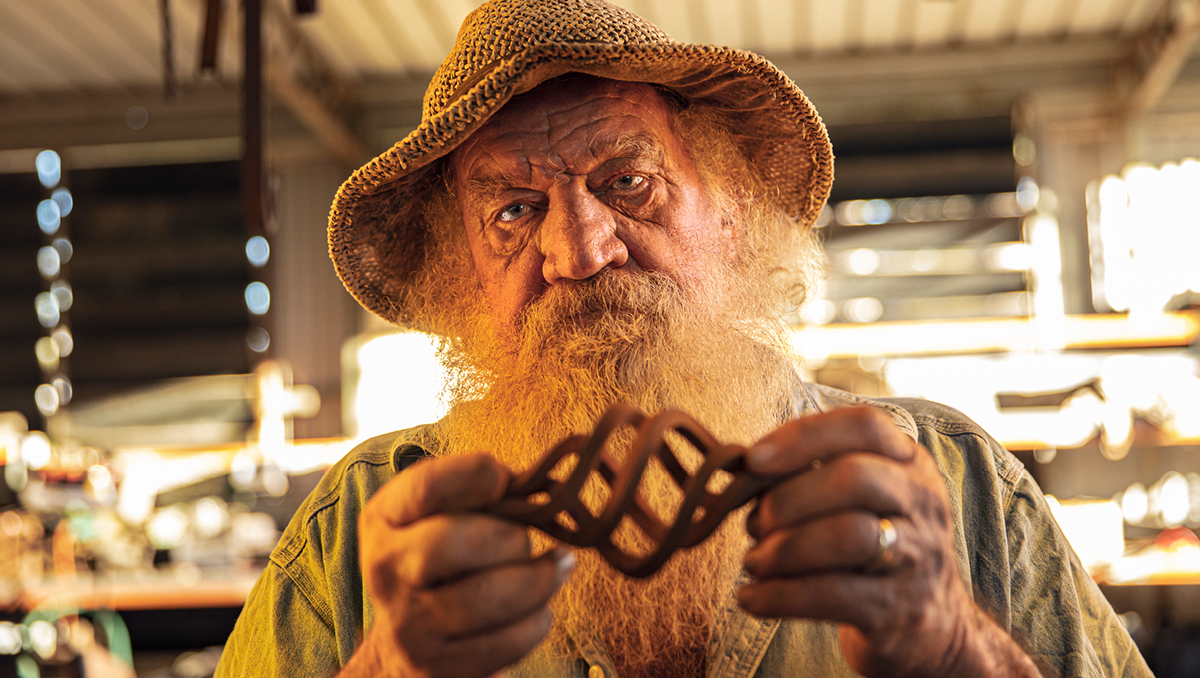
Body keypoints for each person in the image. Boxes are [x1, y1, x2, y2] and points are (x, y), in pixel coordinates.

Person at [216, 1, 1151, 676]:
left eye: (628, 183)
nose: (578, 249)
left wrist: (955, 649)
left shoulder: (956, 490)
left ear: (734, 208)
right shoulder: (361, 541)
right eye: (512, 210)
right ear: (461, 272)